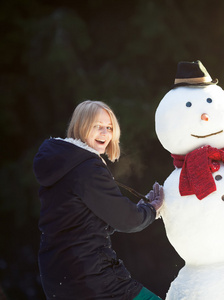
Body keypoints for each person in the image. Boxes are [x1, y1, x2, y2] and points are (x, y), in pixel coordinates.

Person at [33, 100, 163, 300]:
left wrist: (140, 210)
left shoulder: (62, 163)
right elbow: (127, 220)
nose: (105, 133)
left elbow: (80, 221)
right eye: (98, 126)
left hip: (56, 276)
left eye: (109, 128)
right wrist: (152, 210)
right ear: (81, 126)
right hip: (90, 276)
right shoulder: (87, 167)